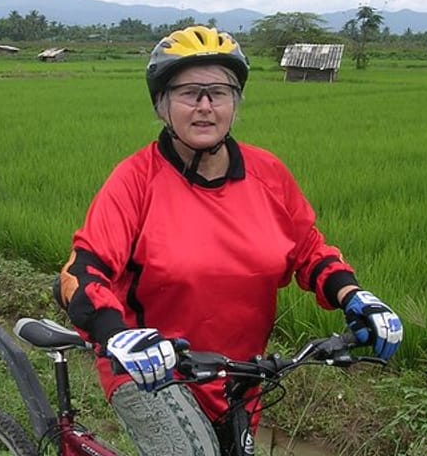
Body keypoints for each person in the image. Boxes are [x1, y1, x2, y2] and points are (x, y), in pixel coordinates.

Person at [56, 25, 403, 455]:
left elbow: (309, 250)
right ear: (161, 105)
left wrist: (355, 296)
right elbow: (82, 270)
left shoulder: (268, 174)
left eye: (219, 92)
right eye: (188, 93)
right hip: (150, 367)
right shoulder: (135, 181)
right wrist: (116, 335)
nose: (205, 106)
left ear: (235, 103)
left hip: (240, 374)